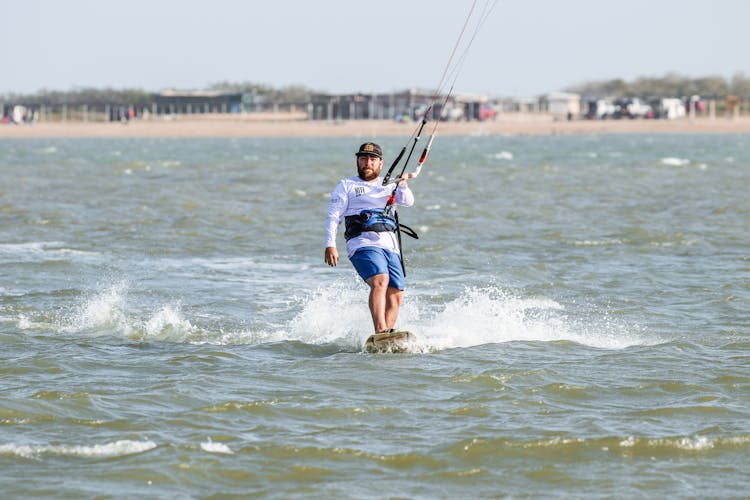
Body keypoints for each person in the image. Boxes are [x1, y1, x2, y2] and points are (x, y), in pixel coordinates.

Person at [324, 142, 415, 334]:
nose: (367, 163)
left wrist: (403, 184)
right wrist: (330, 244)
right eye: (363, 158)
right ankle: (380, 331)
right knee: (380, 280)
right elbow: (334, 217)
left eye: (373, 159)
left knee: (396, 293)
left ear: (380, 164)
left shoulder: (389, 184)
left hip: (390, 246)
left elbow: (407, 201)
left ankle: (386, 336)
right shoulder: (346, 185)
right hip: (362, 242)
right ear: (357, 161)